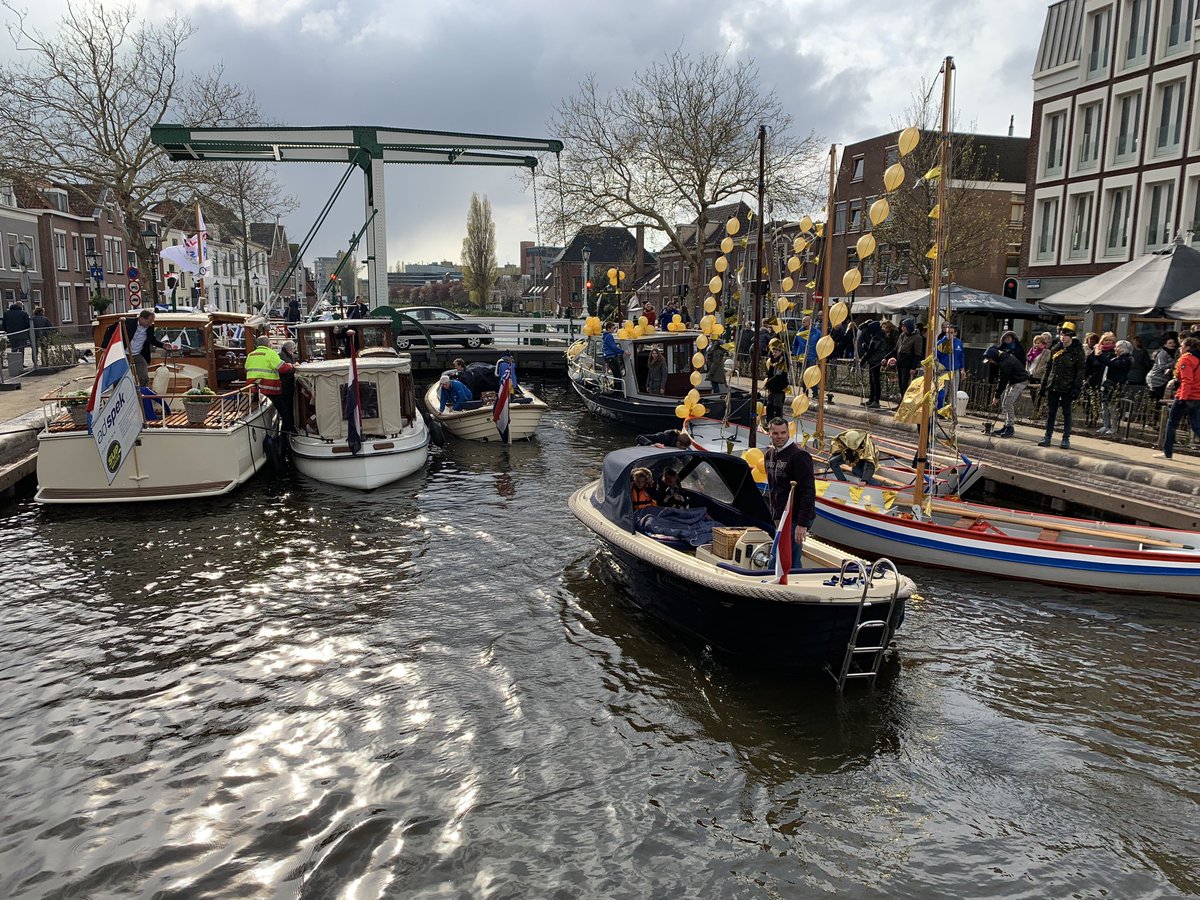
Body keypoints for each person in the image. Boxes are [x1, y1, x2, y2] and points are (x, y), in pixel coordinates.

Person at [763, 417, 816, 567]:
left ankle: (790, 585)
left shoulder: (799, 456)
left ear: (788, 433)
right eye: (775, 433)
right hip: (782, 515)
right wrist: (775, 516)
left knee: (786, 558)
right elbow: (774, 488)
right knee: (783, 557)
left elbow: (809, 491)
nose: (779, 437)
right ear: (769, 433)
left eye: (783, 433)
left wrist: (802, 524)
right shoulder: (769, 455)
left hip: (797, 515)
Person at [1038, 324, 1085, 448]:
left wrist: (1076, 388)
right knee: (1051, 413)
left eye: (1065, 335)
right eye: (1061, 335)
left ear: (1071, 336)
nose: (1062, 338)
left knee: (1067, 413)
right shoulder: (1056, 349)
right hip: (1053, 385)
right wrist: (1043, 385)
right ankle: (1047, 436)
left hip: (1067, 387)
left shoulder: (1078, 351)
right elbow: (1049, 368)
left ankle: (1066, 438)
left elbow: (1080, 371)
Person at [1153, 336, 1200, 459]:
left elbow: (1187, 380)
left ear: (1188, 348)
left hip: (1185, 396)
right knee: (1196, 426)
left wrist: (1182, 399)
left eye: (1182, 346)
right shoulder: (1198, 359)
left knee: (1172, 423)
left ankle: (1167, 452)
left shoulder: (1186, 360)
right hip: (1197, 397)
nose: (1180, 348)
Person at [245, 335, 295, 432]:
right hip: (270, 389)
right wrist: (291, 365)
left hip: (254, 389)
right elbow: (282, 368)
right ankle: (290, 430)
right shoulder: (270, 353)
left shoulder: (251, 355)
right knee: (284, 410)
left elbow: (246, 368)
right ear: (268, 344)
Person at [984, 344, 1029, 438]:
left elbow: (1003, 380)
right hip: (1013, 380)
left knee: (1008, 402)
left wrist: (996, 396)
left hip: (1020, 381)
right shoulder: (1003, 358)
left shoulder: (1005, 362)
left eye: (990, 360)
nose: (991, 362)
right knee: (1004, 403)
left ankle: (1010, 427)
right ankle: (1006, 425)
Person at [126, 309, 170, 388]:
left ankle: (143, 397)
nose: (150, 324)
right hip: (124, 354)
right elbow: (111, 330)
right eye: (149, 322)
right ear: (141, 318)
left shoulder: (150, 327)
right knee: (121, 379)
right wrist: (104, 346)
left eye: (152, 322)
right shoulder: (128, 322)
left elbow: (151, 339)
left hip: (137, 354)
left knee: (144, 378)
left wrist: (162, 345)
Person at [1097, 340, 1132, 435]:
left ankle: (1114, 427)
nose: (1115, 349)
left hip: (1115, 385)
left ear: (1123, 349)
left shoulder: (1125, 360)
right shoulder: (1113, 357)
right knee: (1104, 405)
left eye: (1117, 347)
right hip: (1106, 383)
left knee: (1113, 406)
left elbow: (1112, 365)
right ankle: (1105, 425)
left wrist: (1100, 356)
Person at [886, 316, 922, 400]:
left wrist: (913, 367)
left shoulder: (917, 338)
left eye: (904, 327)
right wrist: (886, 358)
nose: (902, 328)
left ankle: (905, 404)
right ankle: (901, 403)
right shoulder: (902, 335)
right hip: (900, 362)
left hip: (908, 364)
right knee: (901, 385)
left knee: (905, 385)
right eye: (902, 326)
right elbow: (896, 349)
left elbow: (917, 354)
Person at [857, 319, 887, 408]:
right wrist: (866, 347)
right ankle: (871, 399)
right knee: (872, 381)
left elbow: (871, 351)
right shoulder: (876, 336)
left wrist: (863, 360)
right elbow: (871, 349)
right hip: (873, 360)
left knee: (875, 381)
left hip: (876, 361)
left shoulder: (877, 337)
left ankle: (876, 400)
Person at [790, 315, 822, 399]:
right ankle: (805, 392)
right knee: (803, 375)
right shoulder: (799, 332)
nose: (803, 323)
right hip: (801, 357)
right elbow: (795, 344)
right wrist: (795, 353)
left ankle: (815, 392)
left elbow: (820, 344)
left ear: (809, 322)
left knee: (811, 376)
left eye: (804, 321)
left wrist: (818, 355)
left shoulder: (817, 333)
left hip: (812, 357)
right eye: (803, 321)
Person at [1146, 332, 1179, 402]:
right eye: (1170, 343)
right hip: (1156, 378)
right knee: (1156, 398)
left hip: (1163, 379)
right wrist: (1174, 363)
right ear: (1165, 344)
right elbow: (1161, 366)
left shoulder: (1173, 352)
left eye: (1173, 343)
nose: (1172, 344)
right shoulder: (1163, 353)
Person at [763, 338, 789, 420]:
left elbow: (780, 376)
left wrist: (771, 382)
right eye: (773, 352)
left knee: (777, 408)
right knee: (769, 406)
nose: (774, 354)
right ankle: (769, 421)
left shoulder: (784, 362)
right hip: (771, 388)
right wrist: (768, 384)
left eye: (776, 352)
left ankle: (778, 422)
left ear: (780, 352)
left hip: (779, 389)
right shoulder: (772, 361)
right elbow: (770, 374)